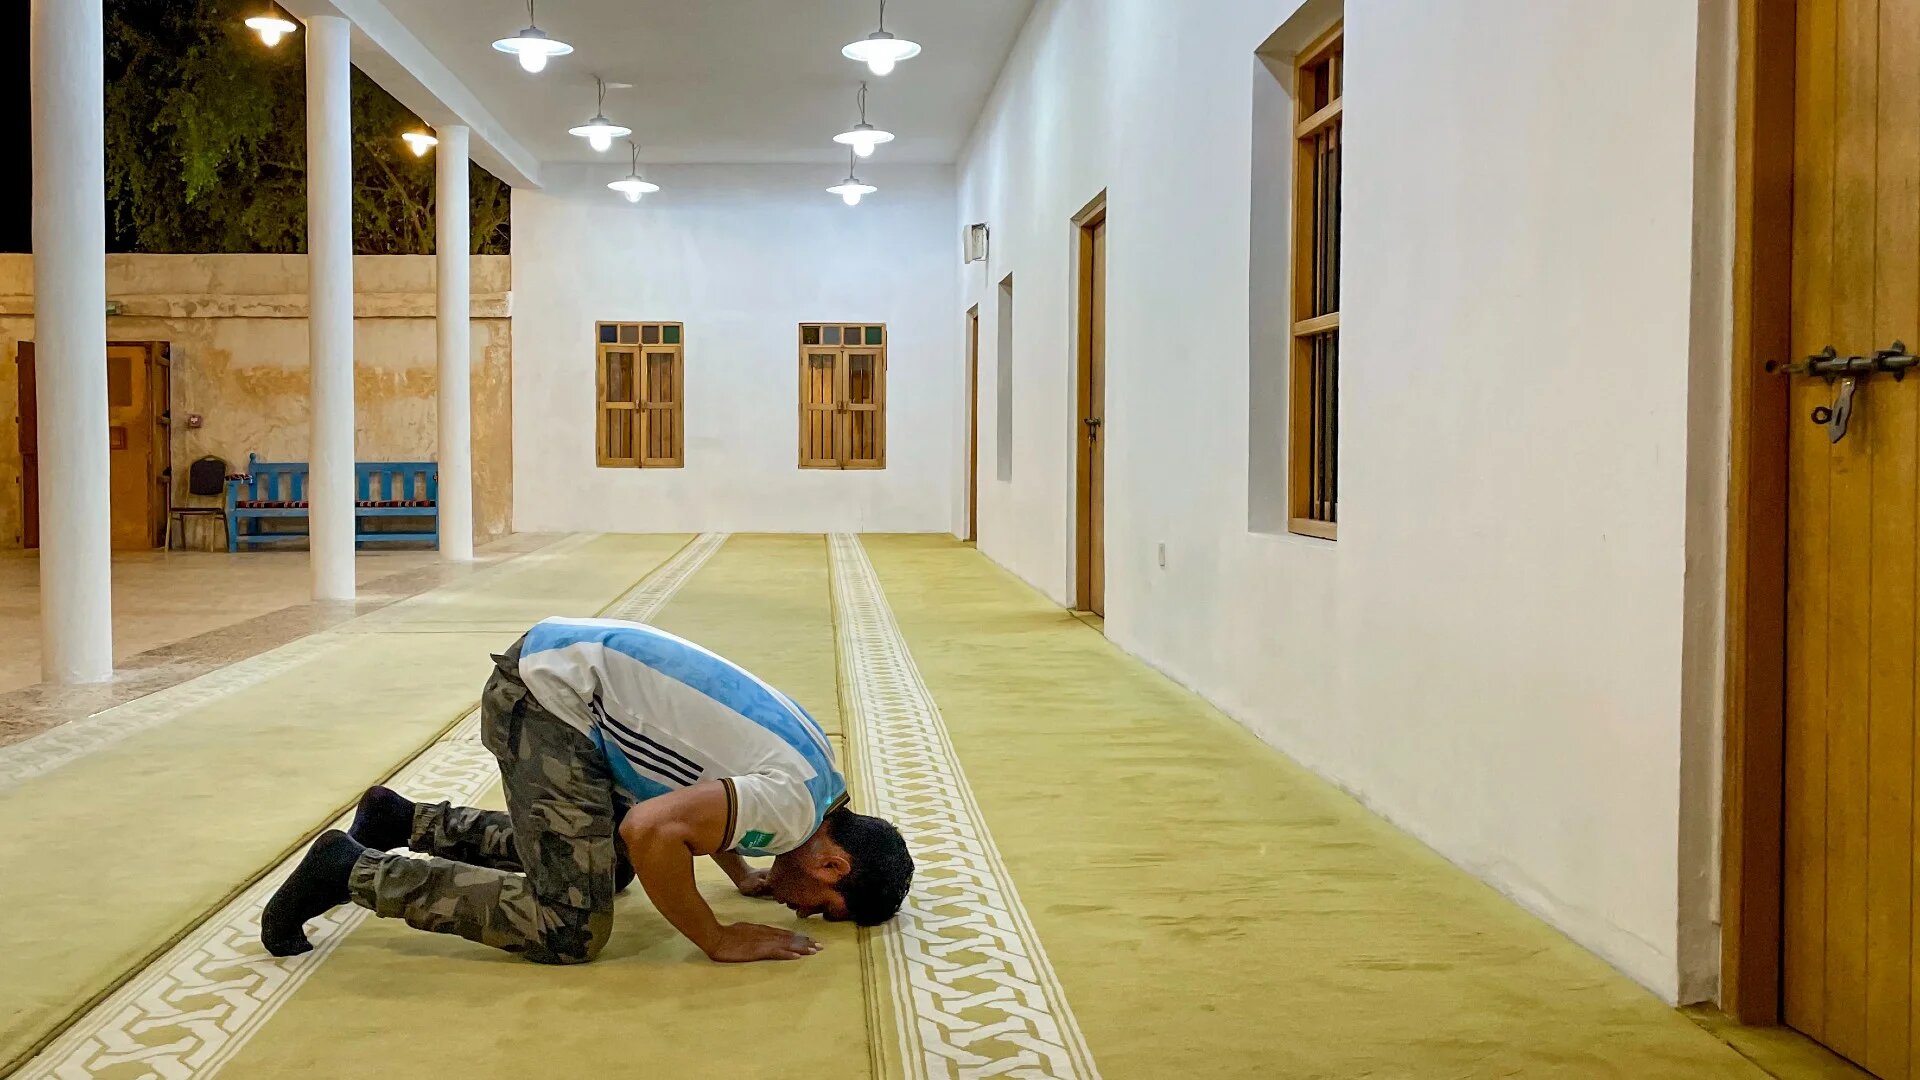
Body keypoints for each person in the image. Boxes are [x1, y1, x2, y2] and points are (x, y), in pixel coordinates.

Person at [261, 616, 912, 965]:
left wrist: (739, 872)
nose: (803, 913)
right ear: (832, 863)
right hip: (546, 701)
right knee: (568, 927)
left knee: (614, 868)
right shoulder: (794, 810)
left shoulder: (820, 775)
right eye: (824, 906)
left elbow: (705, 791)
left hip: (567, 677)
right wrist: (715, 936)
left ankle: (400, 820)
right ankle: (353, 871)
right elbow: (652, 827)